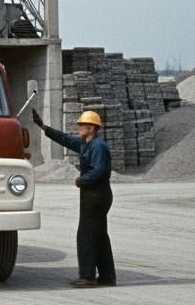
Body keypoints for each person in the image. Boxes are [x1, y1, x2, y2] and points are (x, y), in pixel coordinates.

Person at [33, 108, 116, 287]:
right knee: (99, 235)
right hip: (92, 194)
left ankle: (87, 276)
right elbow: (64, 138)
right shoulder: (84, 143)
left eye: (82, 125)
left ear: (92, 128)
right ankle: (107, 276)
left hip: (97, 194)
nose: (78, 127)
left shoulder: (98, 146)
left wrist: (81, 179)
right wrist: (43, 127)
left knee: (86, 235)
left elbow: (99, 170)